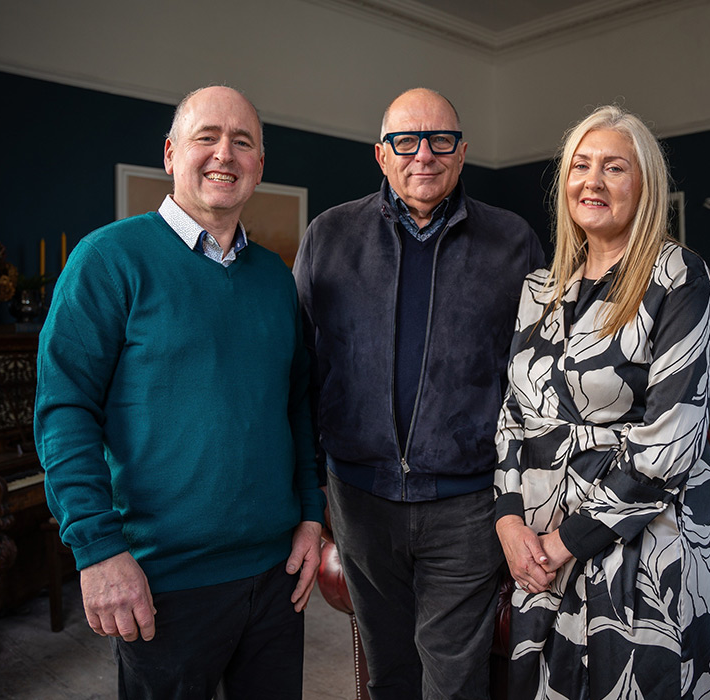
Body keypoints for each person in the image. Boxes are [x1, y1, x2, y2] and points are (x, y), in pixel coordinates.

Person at [35, 85, 325, 699]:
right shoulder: (107, 260)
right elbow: (65, 412)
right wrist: (97, 551)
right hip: (161, 580)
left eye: (242, 142)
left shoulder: (275, 277)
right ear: (171, 154)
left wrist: (308, 514)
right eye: (207, 137)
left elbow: (294, 407)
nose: (225, 154)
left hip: (275, 578)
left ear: (260, 166)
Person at [293, 87, 546, 699]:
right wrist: (311, 486)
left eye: (441, 140)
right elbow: (301, 365)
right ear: (382, 155)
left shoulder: (512, 242)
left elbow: (537, 382)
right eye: (406, 141)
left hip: (467, 504)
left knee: (454, 682)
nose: (424, 154)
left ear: (462, 154)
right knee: (387, 675)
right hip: (360, 499)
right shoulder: (329, 235)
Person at [495, 105, 710, 699]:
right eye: (581, 165)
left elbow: (670, 441)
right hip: (539, 541)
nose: (592, 181)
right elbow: (513, 416)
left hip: (639, 545)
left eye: (614, 167)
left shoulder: (678, 276)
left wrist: (567, 542)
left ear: (643, 186)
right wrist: (510, 521)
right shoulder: (540, 288)